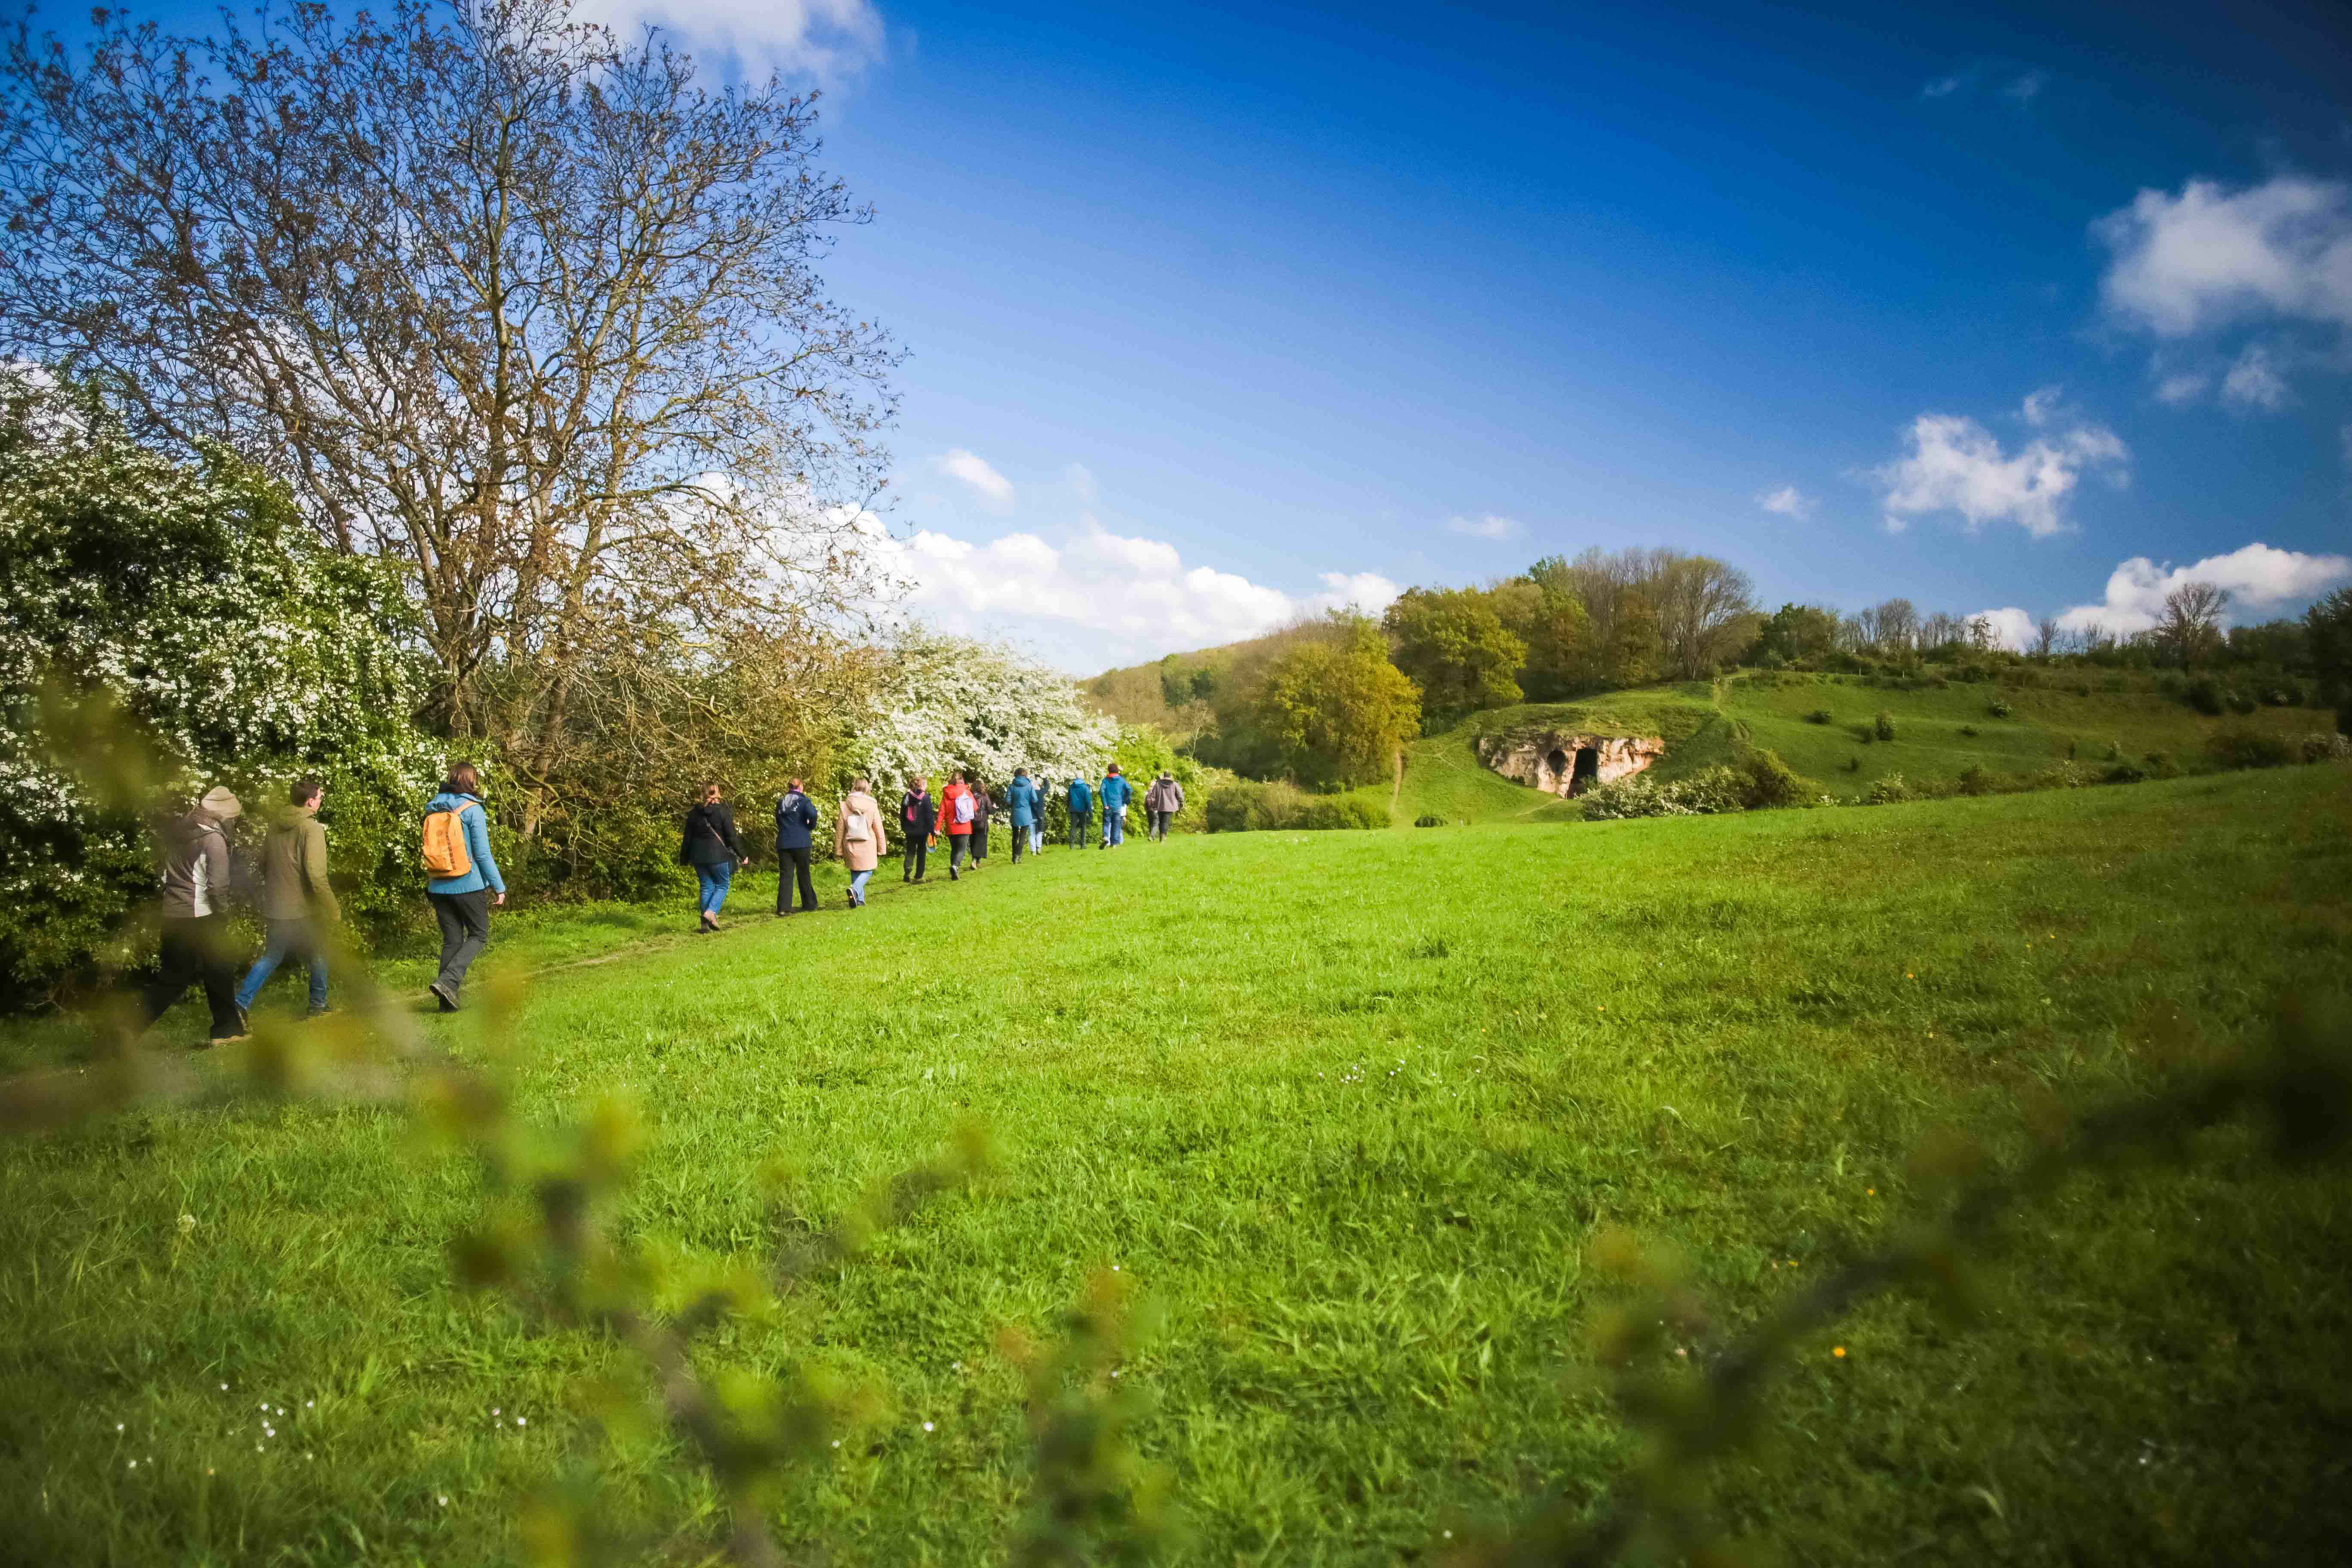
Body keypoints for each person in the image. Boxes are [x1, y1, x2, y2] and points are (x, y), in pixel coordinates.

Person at [144, 785, 248, 1045]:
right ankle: (228, 1031)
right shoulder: (213, 840)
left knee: (173, 978)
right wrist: (224, 915)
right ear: (223, 816)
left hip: (172, 914)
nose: (234, 822)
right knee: (220, 970)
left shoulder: (178, 835)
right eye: (233, 817)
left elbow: (163, 877)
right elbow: (217, 887)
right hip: (202, 915)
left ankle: (123, 1028)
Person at [235, 775, 339, 1018]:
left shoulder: (275, 826)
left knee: (272, 956)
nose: (321, 802)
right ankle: (318, 1004)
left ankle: (239, 1004)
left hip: (277, 903)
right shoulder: (311, 829)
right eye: (320, 798)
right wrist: (332, 907)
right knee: (319, 952)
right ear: (310, 802)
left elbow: (263, 863)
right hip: (304, 908)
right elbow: (316, 874)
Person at [424, 763, 505, 1012]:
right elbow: (482, 854)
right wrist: (498, 886)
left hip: (437, 886)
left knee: (452, 940)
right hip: (467, 884)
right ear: (471, 781)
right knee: (479, 934)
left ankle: (446, 1003)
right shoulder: (472, 810)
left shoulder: (433, 808)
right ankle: (448, 981)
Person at [681, 782, 747, 932]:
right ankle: (711, 913)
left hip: (698, 857)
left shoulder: (694, 813)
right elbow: (731, 837)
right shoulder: (722, 811)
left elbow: (687, 838)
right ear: (718, 792)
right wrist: (743, 855)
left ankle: (705, 924)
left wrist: (684, 858)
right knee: (723, 885)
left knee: (706, 886)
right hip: (718, 855)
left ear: (703, 793)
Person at [834, 777, 886, 907]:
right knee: (868, 871)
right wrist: (882, 848)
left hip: (850, 842)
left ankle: (859, 900)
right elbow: (878, 828)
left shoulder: (846, 804)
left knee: (855, 870)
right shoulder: (872, 805)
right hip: (868, 843)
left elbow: (840, 829)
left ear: (854, 787)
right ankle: (855, 889)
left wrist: (838, 849)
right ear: (867, 788)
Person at [773, 777, 820, 916]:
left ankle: (783, 907)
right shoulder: (803, 801)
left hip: (784, 842)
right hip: (801, 841)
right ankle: (809, 904)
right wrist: (809, 826)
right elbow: (813, 814)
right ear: (801, 788)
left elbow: (778, 820)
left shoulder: (781, 803)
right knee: (803, 873)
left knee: (786, 875)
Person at [900, 777, 936, 882]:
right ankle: (919, 876)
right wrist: (931, 830)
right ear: (922, 786)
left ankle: (907, 871)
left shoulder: (906, 797)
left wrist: (904, 827)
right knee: (921, 852)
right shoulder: (925, 798)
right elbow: (929, 816)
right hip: (922, 830)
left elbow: (902, 814)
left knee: (910, 851)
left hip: (909, 829)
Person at [1005, 768, 1042, 863]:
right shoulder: (1029, 786)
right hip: (1026, 813)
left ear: (1016, 775)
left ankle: (1014, 856)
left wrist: (1014, 803)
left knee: (1015, 836)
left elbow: (1008, 801)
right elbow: (1035, 800)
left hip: (1015, 813)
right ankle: (1019, 856)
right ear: (1026, 775)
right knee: (1022, 836)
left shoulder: (1012, 786)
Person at [1143, 769, 1185, 841]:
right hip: (1170, 807)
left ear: (1164, 775)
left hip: (1160, 806)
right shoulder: (1174, 784)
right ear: (1170, 776)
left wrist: (1153, 805)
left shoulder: (1158, 784)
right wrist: (1181, 803)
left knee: (1162, 822)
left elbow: (1153, 796)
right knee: (1166, 822)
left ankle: (1161, 838)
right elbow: (1180, 795)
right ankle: (1162, 838)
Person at [1099, 763, 1132, 848]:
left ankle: (1106, 837)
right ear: (1117, 770)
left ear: (1109, 771)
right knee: (1116, 825)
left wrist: (1105, 803)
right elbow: (1130, 790)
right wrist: (1125, 800)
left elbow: (1102, 791)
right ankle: (1114, 844)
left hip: (1108, 806)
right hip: (1118, 806)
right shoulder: (1122, 780)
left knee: (1106, 823)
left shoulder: (1106, 780)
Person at [1066, 773, 1093, 849]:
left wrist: (1068, 807)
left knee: (1073, 827)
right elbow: (1088, 801)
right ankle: (1083, 844)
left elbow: (1069, 798)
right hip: (1083, 810)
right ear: (1082, 778)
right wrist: (1090, 812)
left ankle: (1071, 845)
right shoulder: (1085, 787)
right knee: (1083, 826)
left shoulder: (1071, 787)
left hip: (1073, 809)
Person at [970, 781, 992, 863]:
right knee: (981, 841)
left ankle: (975, 859)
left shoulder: (970, 796)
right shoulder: (985, 796)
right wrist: (994, 809)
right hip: (982, 823)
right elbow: (989, 809)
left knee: (973, 840)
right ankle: (975, 860)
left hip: (971, 822)